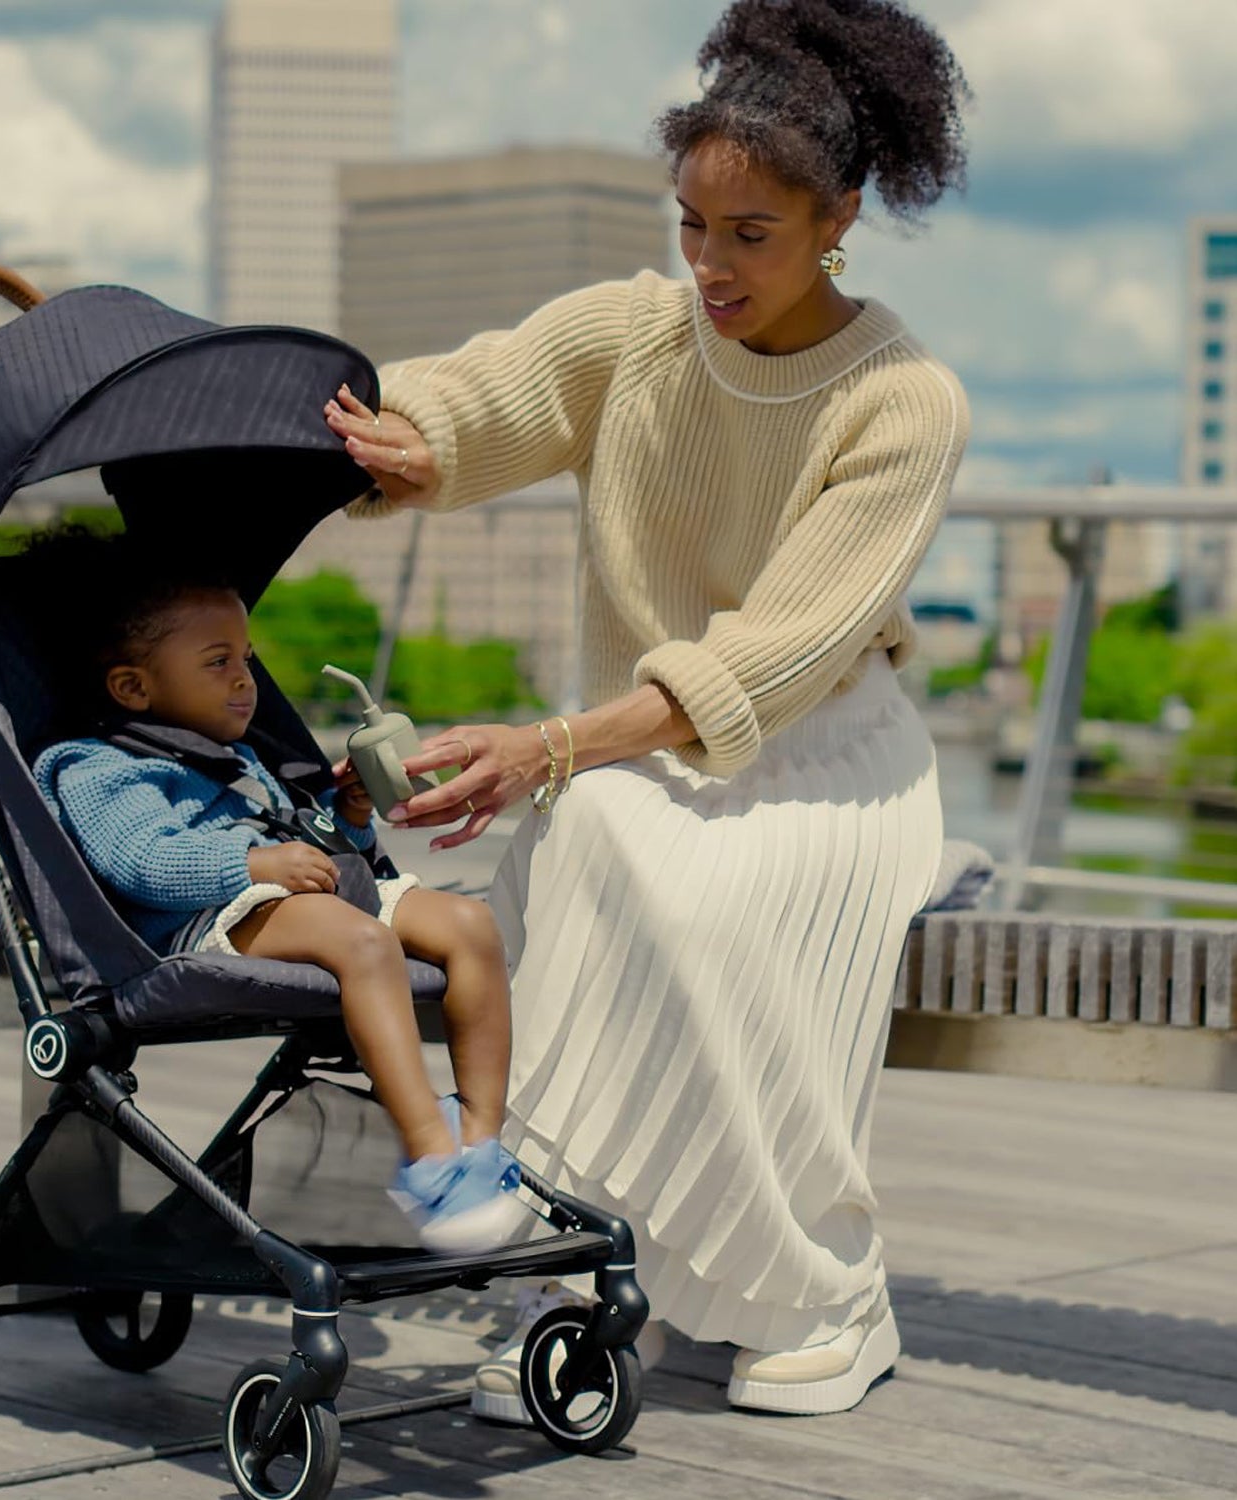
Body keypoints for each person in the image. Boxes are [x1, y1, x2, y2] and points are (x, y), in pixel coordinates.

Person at [323, 0, 971, 1417]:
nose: (711, 265)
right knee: (600, 847)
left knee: (630, 858)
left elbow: (777, 657)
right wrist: (395, 438)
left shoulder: (906, 400)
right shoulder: (633, 334)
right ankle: (598, 1283)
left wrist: (547, 748)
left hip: (828, 759)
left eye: (754, 234)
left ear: (840, 215)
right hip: (631, 752)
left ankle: (821, 1288)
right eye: (692, 225)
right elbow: (480, 398)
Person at [27, 528, 524, 1255]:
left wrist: (346, 820)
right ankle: (429, 1158)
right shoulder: (99, 769)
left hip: (295, 899)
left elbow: (312, 854)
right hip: (202, 921)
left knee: (470, 924)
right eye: (218, 662)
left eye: (247, 660)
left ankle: (479, 1138)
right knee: (361, 939)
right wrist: (254, 865)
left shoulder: (242, 758)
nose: (244, 680)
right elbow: (141, 861)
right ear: (133, 686)